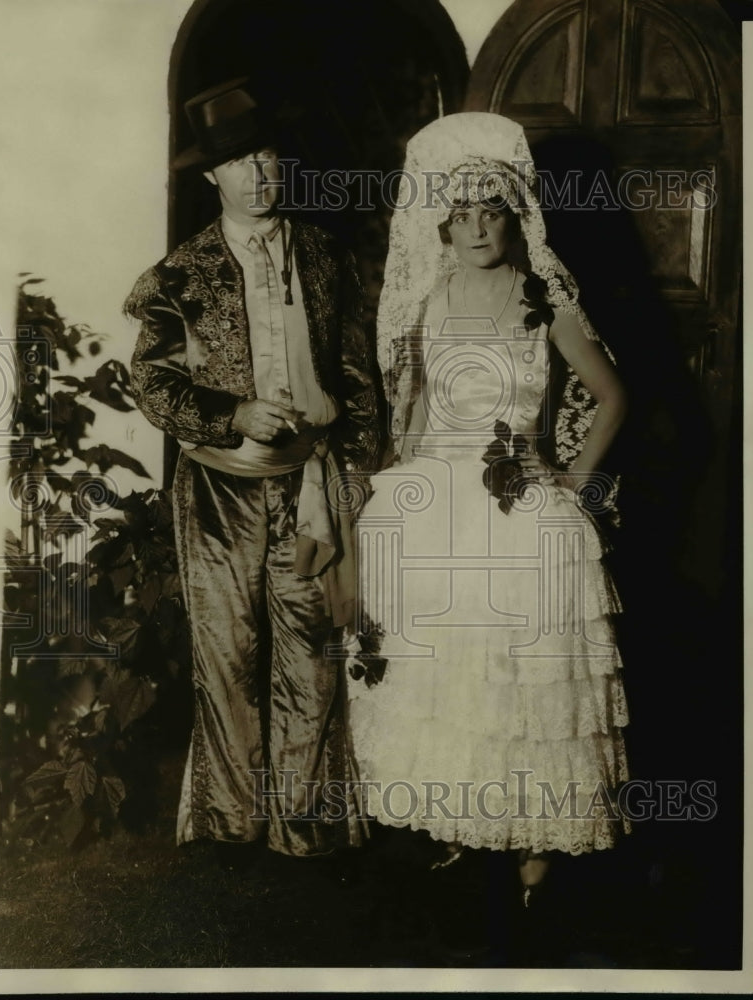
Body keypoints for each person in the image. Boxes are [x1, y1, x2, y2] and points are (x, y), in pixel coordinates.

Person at [347, 112, 630, 903]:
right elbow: (415, 410)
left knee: (525, 683)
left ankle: (534, 847)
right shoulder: (428, 301)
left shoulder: (546, 301)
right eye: (461, 213)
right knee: (450, 674)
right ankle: (459, 823)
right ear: (442, 219)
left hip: (519, 500)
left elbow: (611, 397)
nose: (475, 227)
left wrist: (570, 482)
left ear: (514, 215)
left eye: (491, 211)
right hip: (437, 495)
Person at [124, 79, 380, 860]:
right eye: (239, 160)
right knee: (228, 653)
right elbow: (153, 382)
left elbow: (357, 374)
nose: (259, 171)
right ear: (213, 177)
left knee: (310, 649)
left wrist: (359, 472)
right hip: (218, 486)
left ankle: (303, 823)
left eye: (267, 153)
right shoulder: (179, 274)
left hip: (311, 483)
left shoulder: (327, 255)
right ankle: (232, 822)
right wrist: (232, 413)